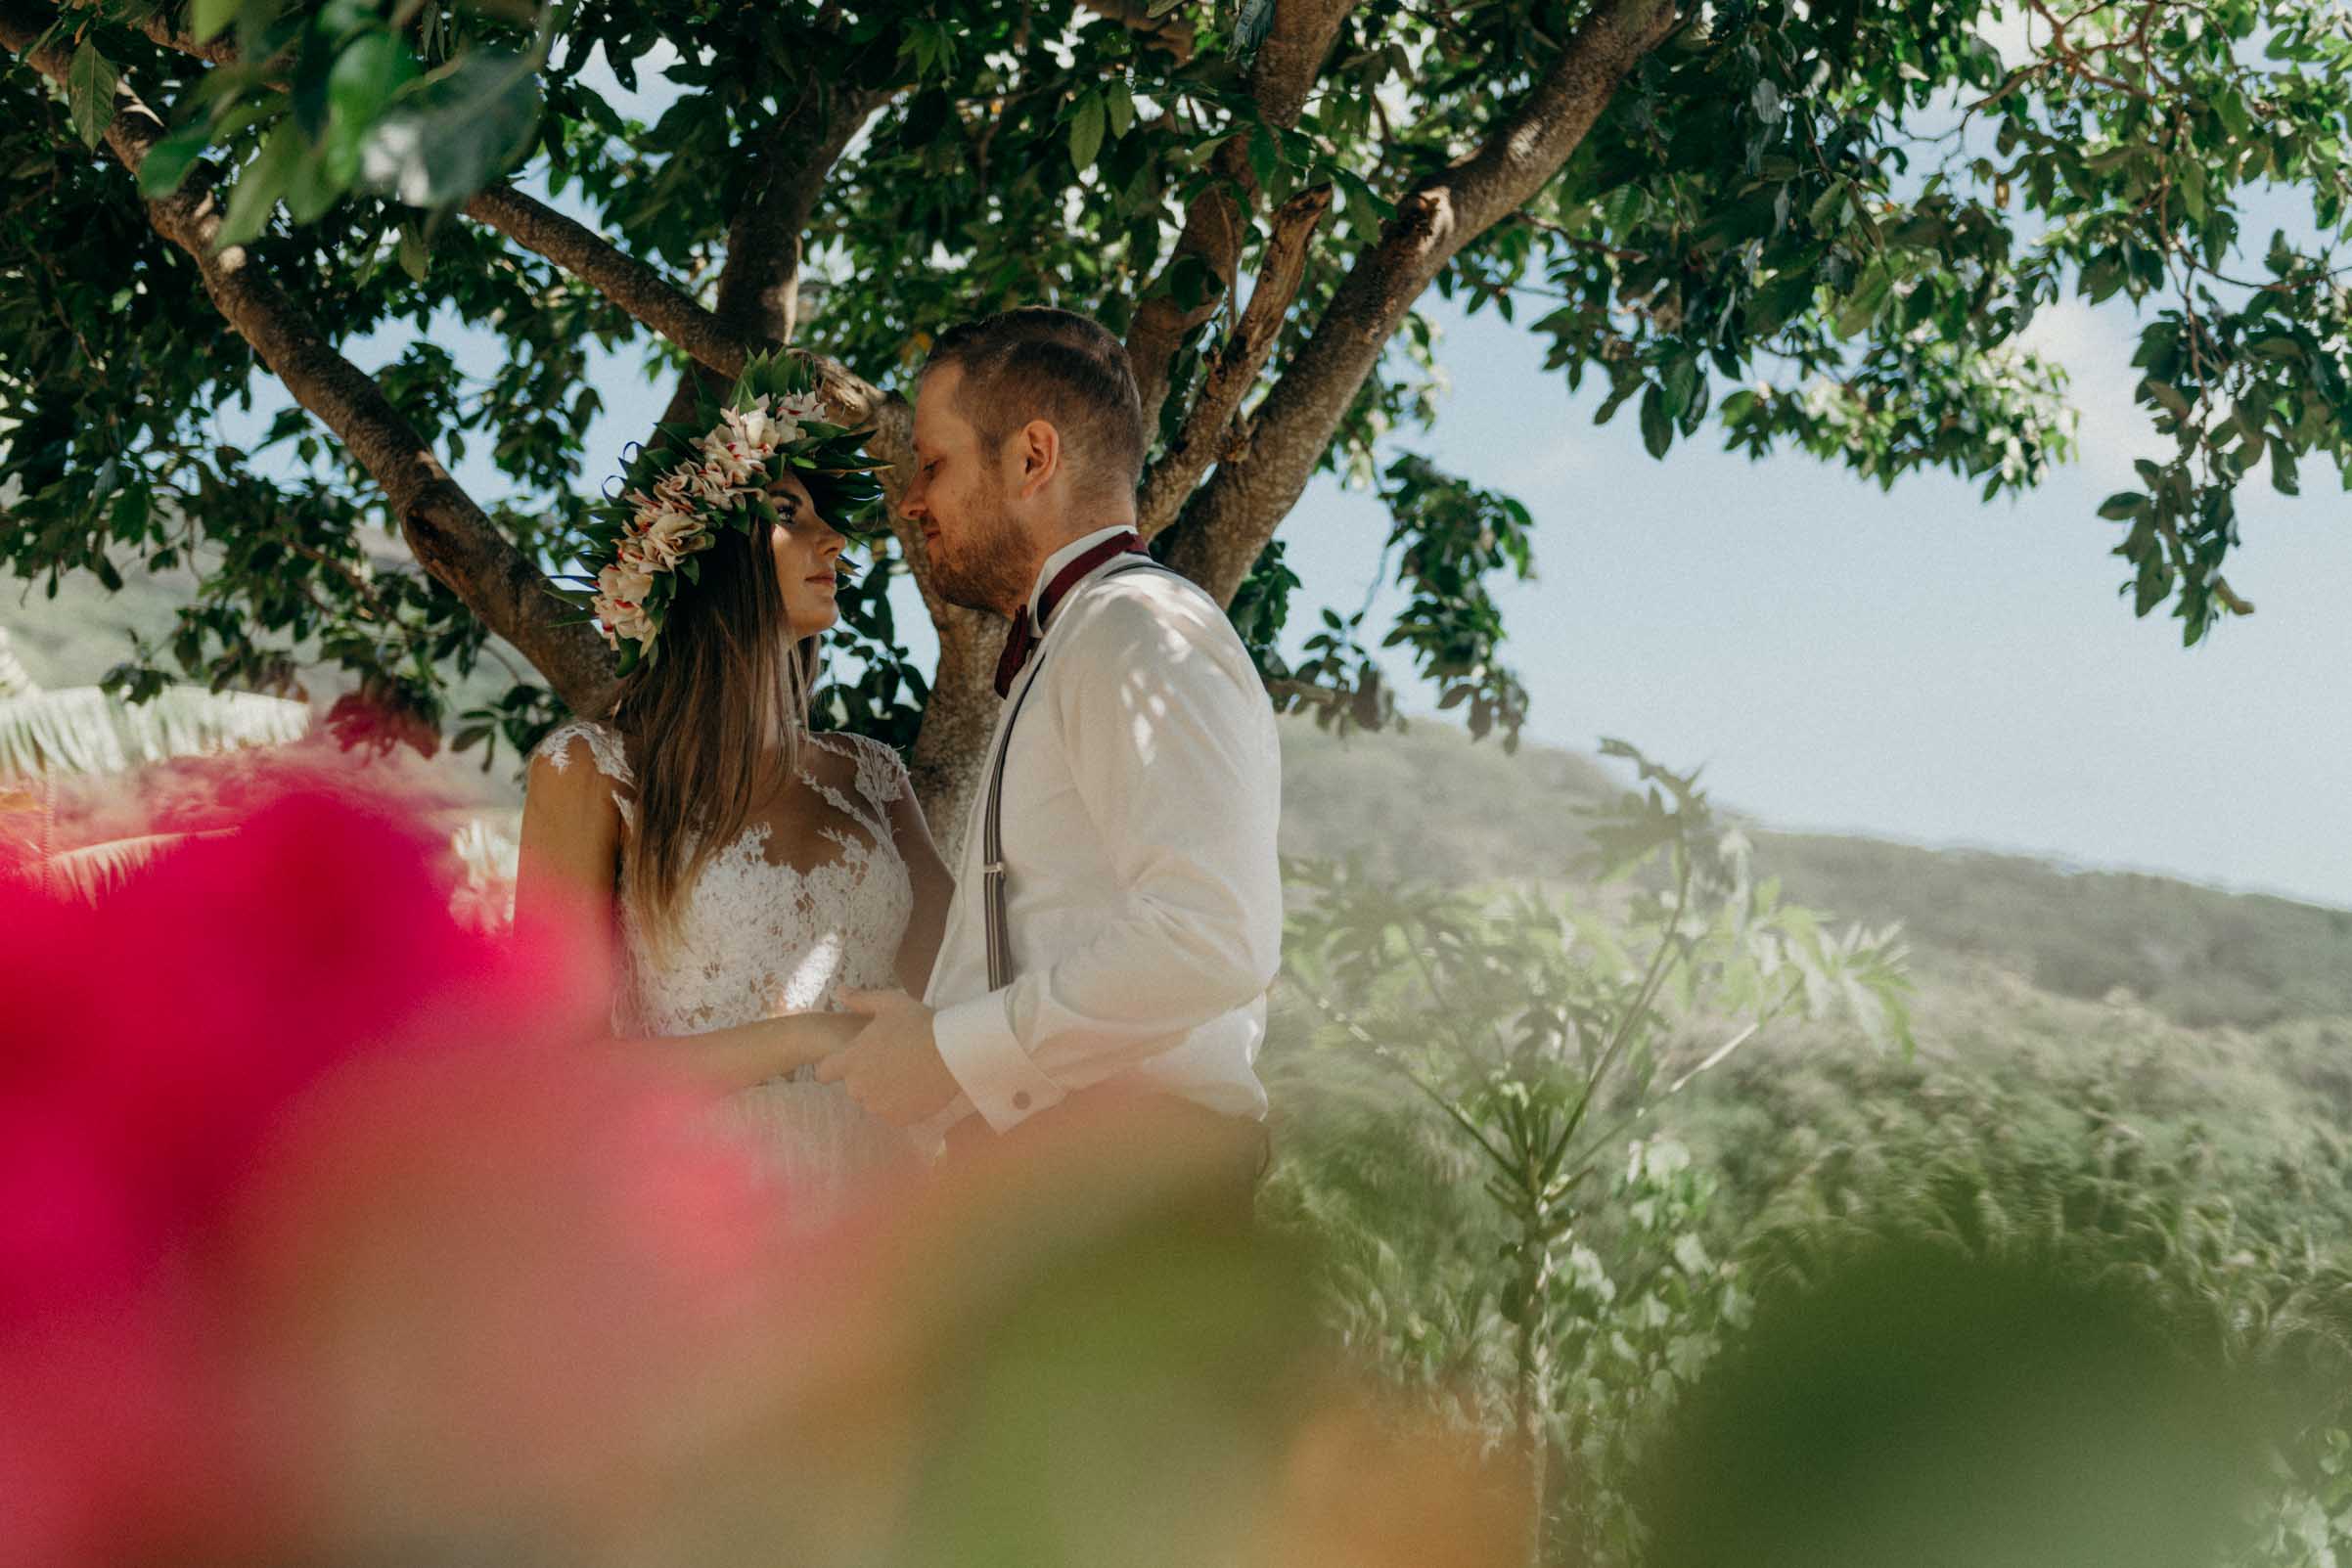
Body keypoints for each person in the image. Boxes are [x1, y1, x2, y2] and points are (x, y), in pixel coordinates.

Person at [815, 306, 1284, 1218]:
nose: (911, 500)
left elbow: (1211, 936)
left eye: (934, 463)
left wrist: (952, 1052)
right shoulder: (1081, 639)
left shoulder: (1139, 630)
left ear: (1033, 457)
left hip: (1127, 1199)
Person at [515, 359, 956, 1214]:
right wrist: (811, 1037)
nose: (833, 539)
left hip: (887, 1202)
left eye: (830, 520)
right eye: (788, 513)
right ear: (697, 553)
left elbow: (966, 970)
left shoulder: (873, 774)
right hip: (699, 1215)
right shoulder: (590, 770)